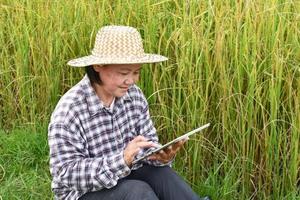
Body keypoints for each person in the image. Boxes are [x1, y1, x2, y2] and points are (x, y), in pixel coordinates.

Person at [48, 25, 210, 200]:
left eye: (136, 72)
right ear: (98, 66)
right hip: (82, 193)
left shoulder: (134, 96)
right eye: (124, 72)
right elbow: (65, 173)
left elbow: (146, 144)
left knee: (162, 175)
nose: (131, 81)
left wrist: (160, 156)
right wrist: (122, 160)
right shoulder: (69, 112)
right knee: (137, 191)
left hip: (125, 174)